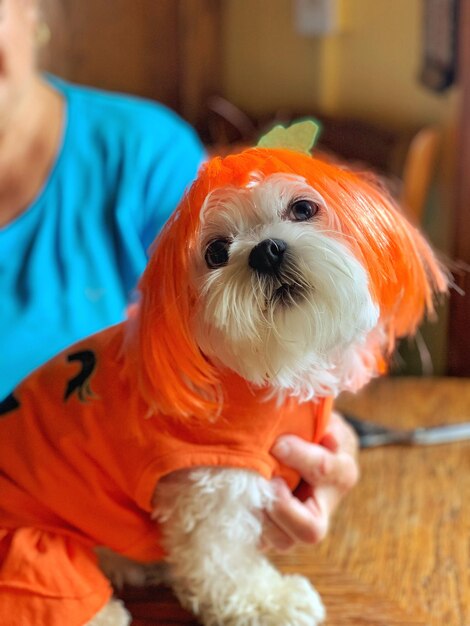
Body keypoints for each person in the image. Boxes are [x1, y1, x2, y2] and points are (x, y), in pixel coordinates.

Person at [0, 0, 358, 554]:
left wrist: (328, 439)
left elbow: (264, 345)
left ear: (31, 10)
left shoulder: (143, 156)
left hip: (122, 545)